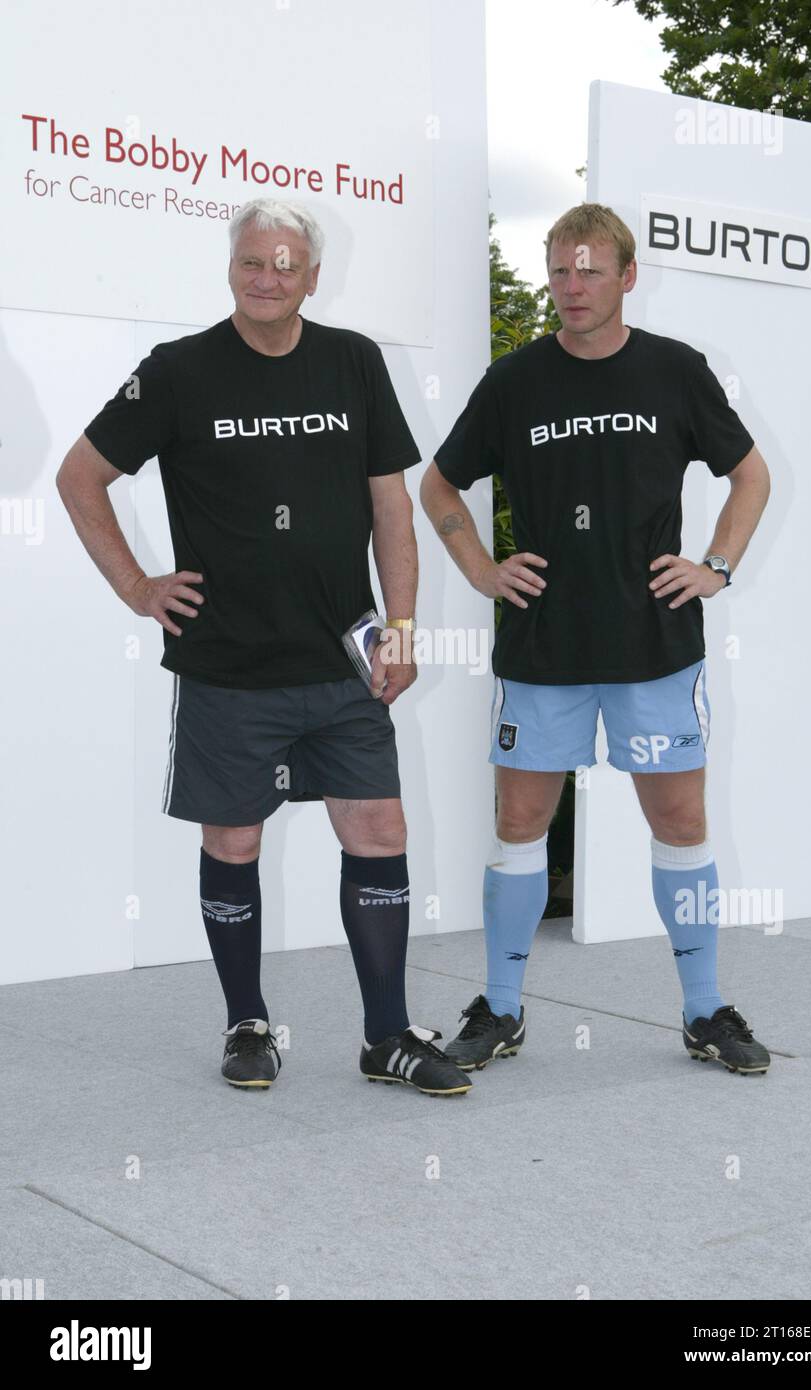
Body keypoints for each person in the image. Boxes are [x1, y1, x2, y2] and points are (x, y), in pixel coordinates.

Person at [56, 197, 471, 1097]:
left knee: (378, 829)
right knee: (234, 841)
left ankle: (386, 1035)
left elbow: (389, 508)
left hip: (345, 659)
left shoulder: (353, 362)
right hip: (230, 665)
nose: (269, 277)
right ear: (231, 268)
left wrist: (402, 627)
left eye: (287, 264)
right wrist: (137, 587)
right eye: (254, 262)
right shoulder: (177, 371)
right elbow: (79, 474)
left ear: (312, 276)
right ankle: (247, 1022)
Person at [420, 202, 772, 1077]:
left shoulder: (674, 371)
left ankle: (703, 1012)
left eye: (588, 271)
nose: (571, 287)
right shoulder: (514, 382)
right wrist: (479, 570)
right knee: (518, 821)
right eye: (559, 271)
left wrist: (715, 567)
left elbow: (749, 475)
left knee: (680, 821)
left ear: (625, 276)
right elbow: (437, 488)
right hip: (543, 649)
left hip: (654, 644)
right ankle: (500, 1009)